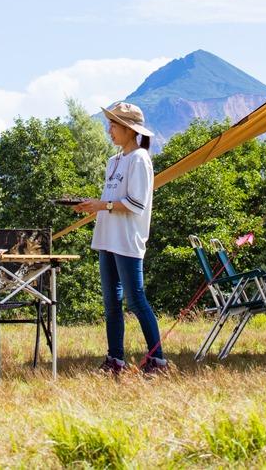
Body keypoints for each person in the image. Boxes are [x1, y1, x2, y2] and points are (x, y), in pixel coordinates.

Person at [74, 101, 168, 375]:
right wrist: (91, 205)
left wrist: (102, 205)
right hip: (107, 238)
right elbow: (112, 200)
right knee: (111, 303)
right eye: (110, 124)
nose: (109, 130)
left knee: (136, 299)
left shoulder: (140, 159)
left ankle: (157, 360)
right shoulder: (113, 161)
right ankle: (115, 359)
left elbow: (136, 204)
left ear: (129, 129)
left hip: (127, 239)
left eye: (114, 125)